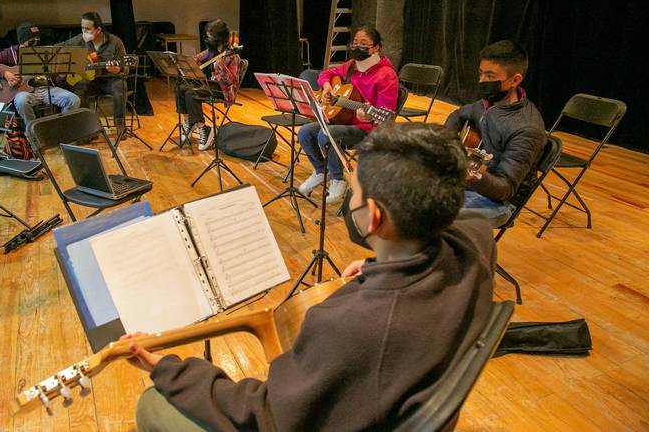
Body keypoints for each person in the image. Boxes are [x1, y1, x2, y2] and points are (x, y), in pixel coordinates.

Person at [123, 122, 495, 431]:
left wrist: (170, 368)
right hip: (400, 387)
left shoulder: (348, 326)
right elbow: (460, 222)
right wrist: (375, 265)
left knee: (153, 406)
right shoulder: (477, 239)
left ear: (374, 218)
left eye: (354, 192)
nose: (350, 199)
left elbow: (266, 416)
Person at [444, 39, 546, 227]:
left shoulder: (527, 129)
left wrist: (473, 174)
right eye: (481, 74)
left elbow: (505, 188)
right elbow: (457, 115)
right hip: (466, 184)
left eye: (490, 76)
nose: (482, 81)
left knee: (433, 217)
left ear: (515, 80)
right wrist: (448, 143)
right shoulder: (487, 104)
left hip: (498, 202)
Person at [297, 25, 399, 204]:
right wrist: (326, 85)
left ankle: (338, 180)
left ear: (376, 47)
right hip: (345, 120)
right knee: (305, 132)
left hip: (367, 130)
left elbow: (387, 114)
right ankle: (321, 171)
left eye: (364, 44)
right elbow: (326, 74)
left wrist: (368, 117)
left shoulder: (386, 75)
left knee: (326, 134)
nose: (358, 47)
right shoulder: (352, 66)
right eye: (355, 43)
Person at [0, 22, 81, 128]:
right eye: (31, 41)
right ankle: (33, 131)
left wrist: (62, 75)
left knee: (73, 99)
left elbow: (56, 81)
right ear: (22, 41)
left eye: (37, 40)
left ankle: (62, 129)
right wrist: (5, 74)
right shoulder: (12, 53)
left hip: (45, 89)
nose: (35, 43)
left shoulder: (45, 53)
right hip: (24, 92)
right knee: (22, 100)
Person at [57, 12, 132, 134]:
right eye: (82, 28)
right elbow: (58, 48)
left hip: (110, 80)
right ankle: (91, 125)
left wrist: (118, 69)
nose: (84, 32)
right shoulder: (79, 40)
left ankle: (120, 124)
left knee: (120, 85)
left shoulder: (115, 42)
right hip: (91, 81)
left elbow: (126, 68)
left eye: (87, 29)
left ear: (98, 30)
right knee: (79, 88)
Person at [176, 19, 241, 151]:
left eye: (210, 35)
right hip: (209, 84)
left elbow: (231, 80)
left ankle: (203, 129)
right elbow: (194, 59)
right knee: (180, 87)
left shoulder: (232, 56)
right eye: (207, 35)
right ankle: (188, 121)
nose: (208, 38)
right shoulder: (210, 51)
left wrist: (222, 67)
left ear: (219, 37)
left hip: (222, 90)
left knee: (192, 93)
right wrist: (188, 64)